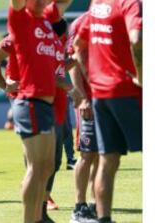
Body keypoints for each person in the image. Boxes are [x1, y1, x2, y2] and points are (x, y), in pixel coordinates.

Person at [73, 0, 142, 222]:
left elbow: (78, 44)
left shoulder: (97, 4)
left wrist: (92, 80)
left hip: (101, 94)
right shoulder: (130, 4)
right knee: (93, 157)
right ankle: (83, 207)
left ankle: (103, 218)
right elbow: (136, 39)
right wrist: (141, 75)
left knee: (107, 160)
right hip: (127, 91)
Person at [7, 1, 75, 222]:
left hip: (46, 104)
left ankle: (37, 217)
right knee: (37, 169)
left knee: (46, 168)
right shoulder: (21, 18)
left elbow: (64, 2)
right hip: (30, 103)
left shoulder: (46, 18)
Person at [67, 12, 99, 223]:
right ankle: (79, 206)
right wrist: (82, 97)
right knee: (87, 154)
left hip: (109, 99)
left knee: (104, 154)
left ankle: (97, 204)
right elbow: (73, 64)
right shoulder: (83, 22)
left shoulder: (117, 18)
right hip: (89, 100)